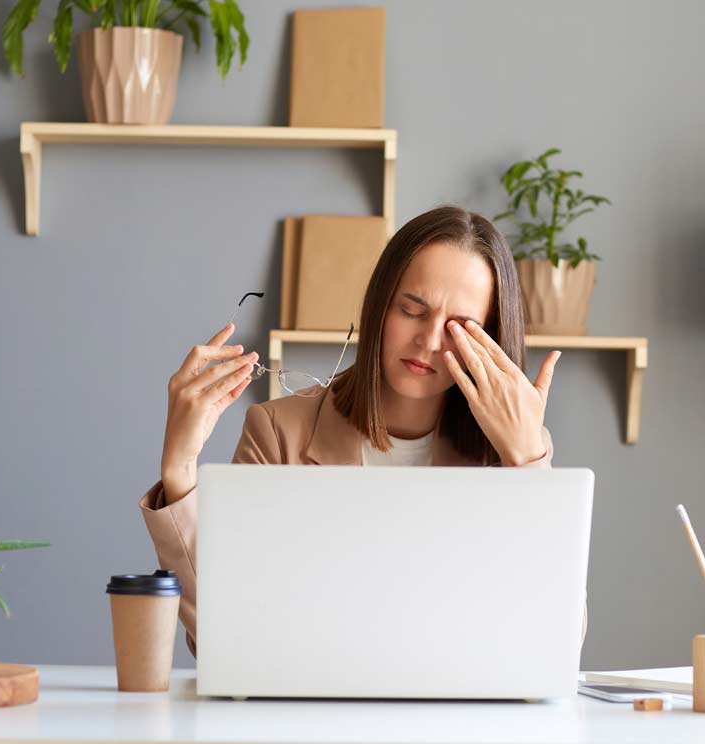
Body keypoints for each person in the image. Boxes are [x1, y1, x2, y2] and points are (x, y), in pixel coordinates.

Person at [139, 205, 584, 657]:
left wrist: (528, 459)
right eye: (412, 310)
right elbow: (218, 638)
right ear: (379, 306)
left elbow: (559, 642)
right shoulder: (278, 433)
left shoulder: (515, 454)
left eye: (459, 328)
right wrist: (178, 468)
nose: (429, 342)